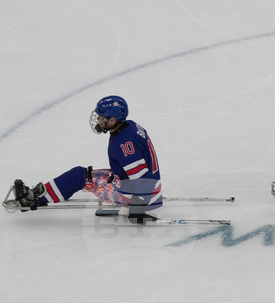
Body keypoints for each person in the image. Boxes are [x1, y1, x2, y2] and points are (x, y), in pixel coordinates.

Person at [9, 95, 162, 223]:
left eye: (102, 117)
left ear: (113, 120)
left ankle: (33, 200)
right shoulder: (131, 127)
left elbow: (142, 178)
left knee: (79, 176)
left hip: (136, 193)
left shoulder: (123, 146)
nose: (98, 120)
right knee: (87, 173)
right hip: (142, 185)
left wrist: (138, 206)